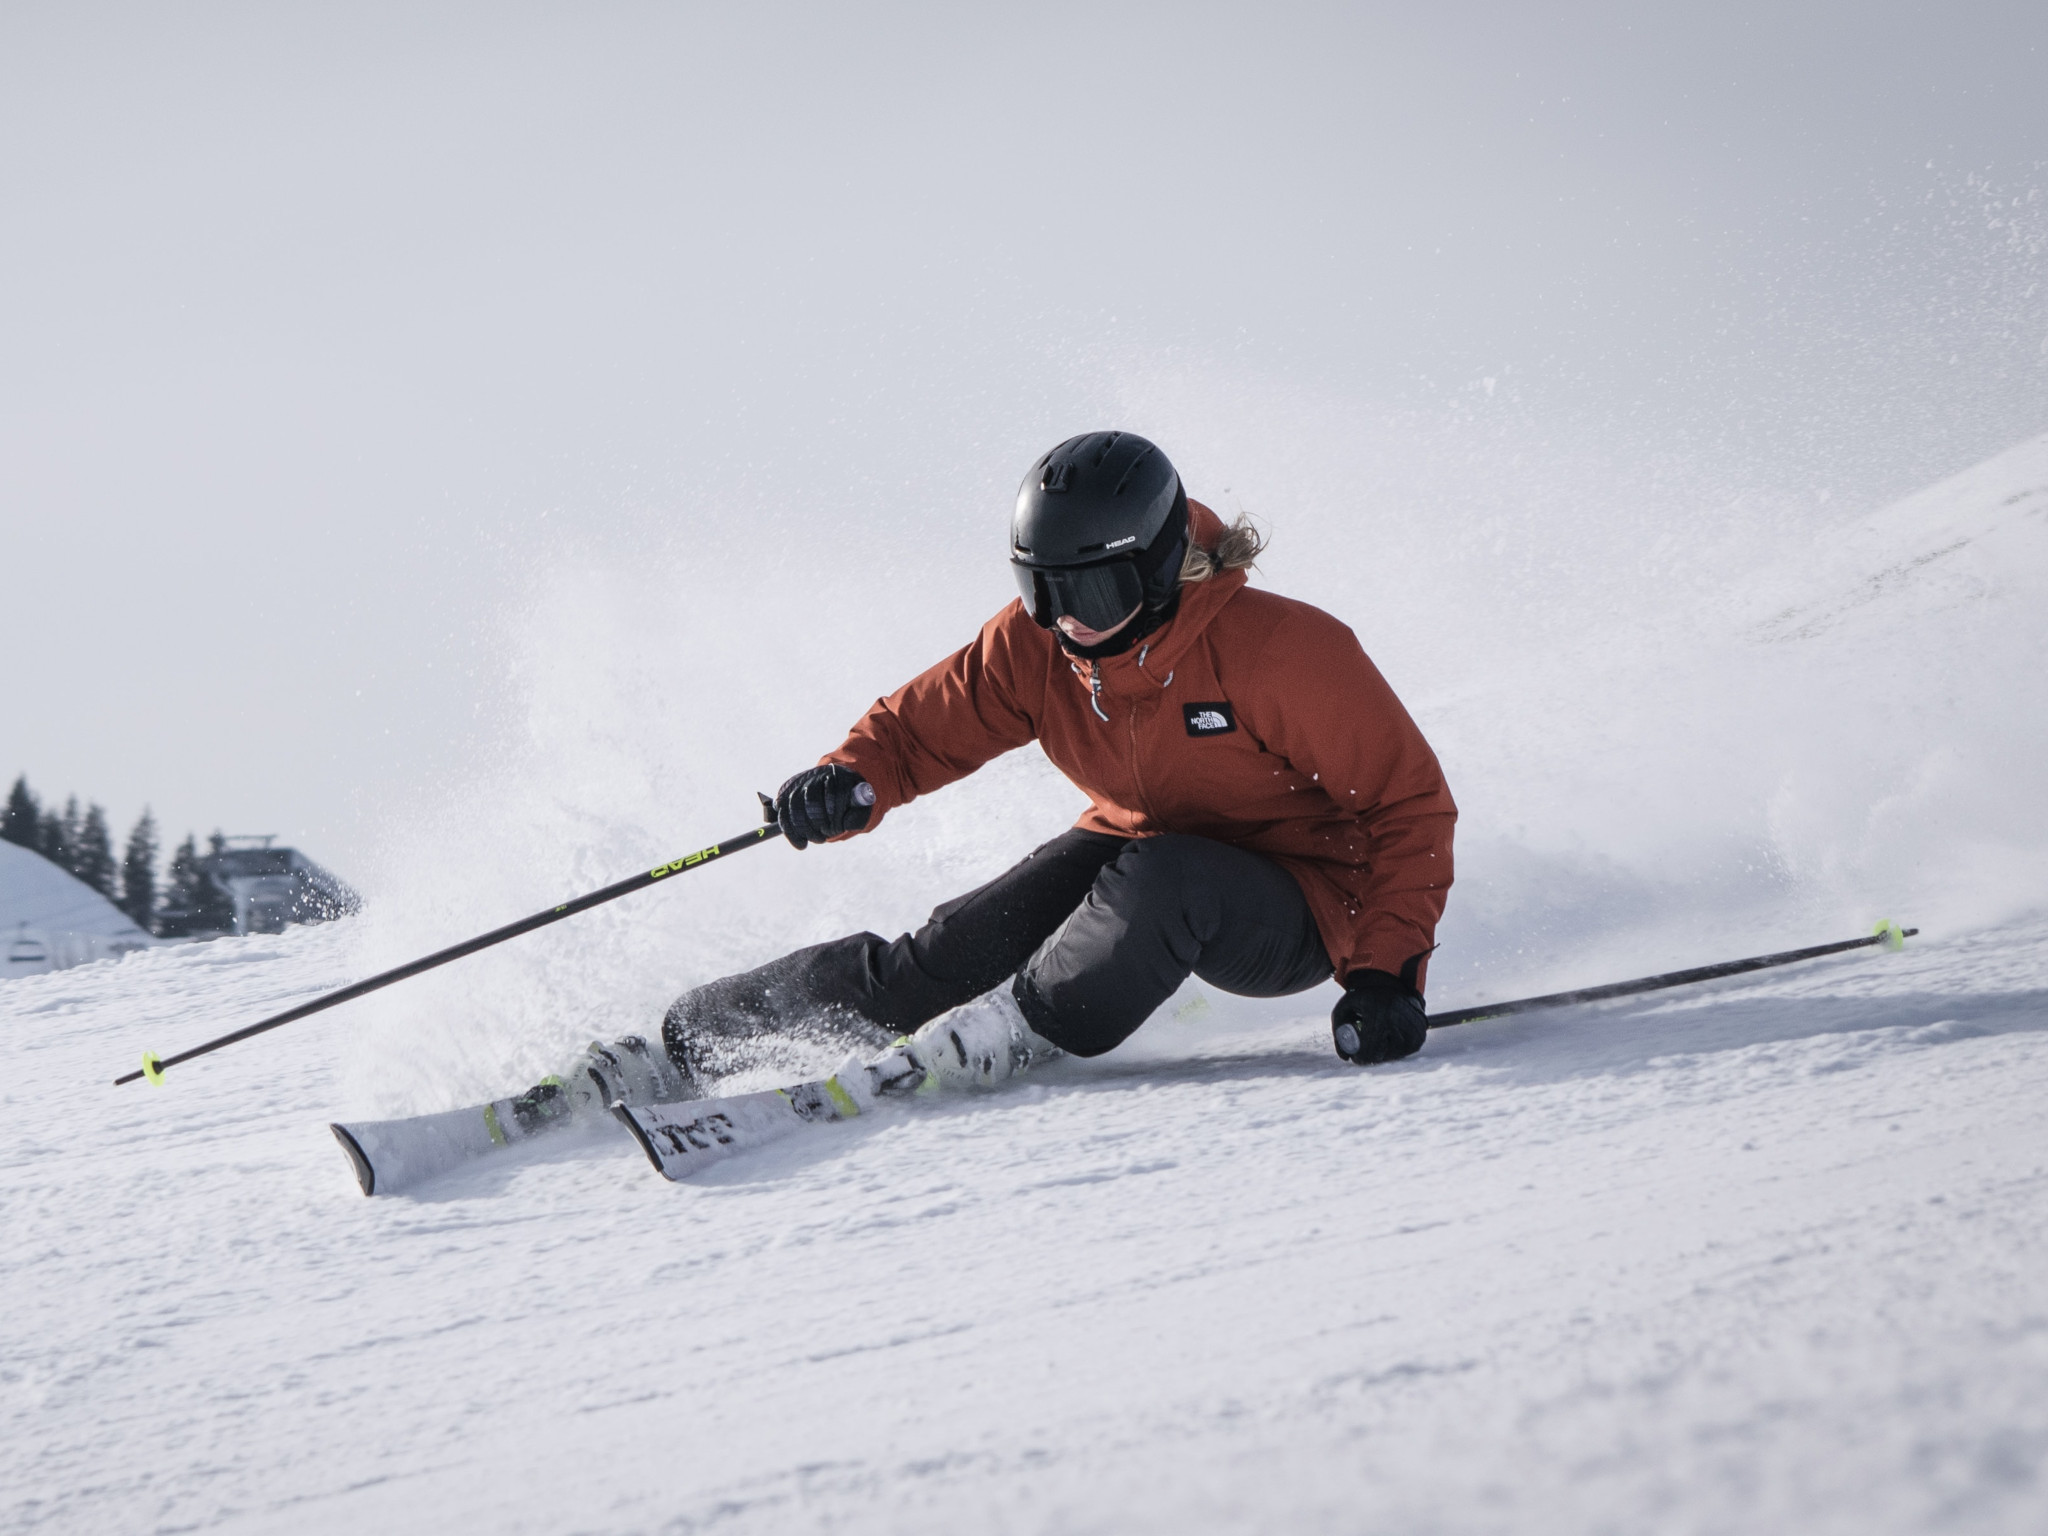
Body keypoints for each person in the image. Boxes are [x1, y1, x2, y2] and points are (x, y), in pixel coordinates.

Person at [547, 431, 1456, 1116]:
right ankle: (685, 1044)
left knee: (1170, 877)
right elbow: (920, 730)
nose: (1064, 623)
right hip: (1136, 846)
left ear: (1156, 570)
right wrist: (848, 780)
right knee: (935, 961)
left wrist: (1385, 977)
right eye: (1041, 593)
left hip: (1301, 899)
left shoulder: (1284, 653)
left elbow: (1410, 805)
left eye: (1088, 595)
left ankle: (1006, 1034)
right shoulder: (1043, 648)